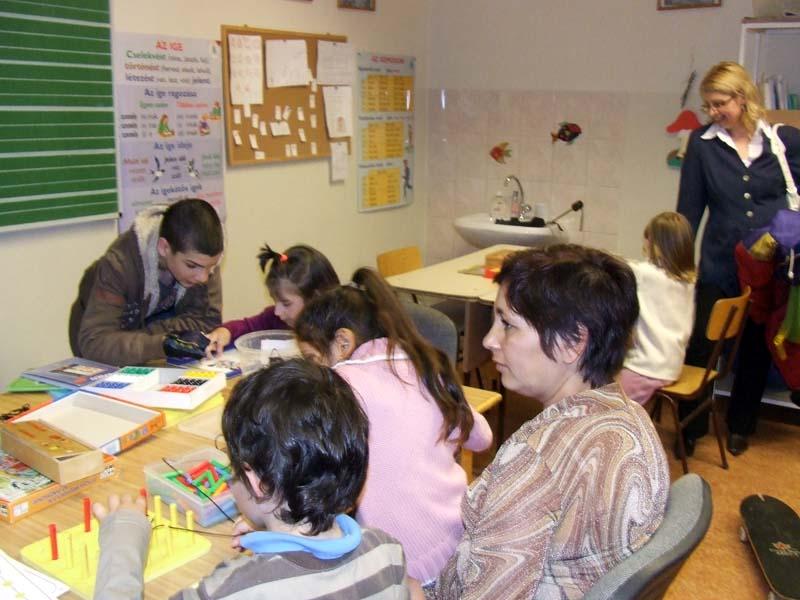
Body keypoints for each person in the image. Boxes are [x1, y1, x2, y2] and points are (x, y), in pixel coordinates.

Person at [428, 245, 669, 599]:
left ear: (573, 342)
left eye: (508, 324)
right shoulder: (632, 421)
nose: (489, 340)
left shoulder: (534, 462)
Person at [92, 358, 412, 599]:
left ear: (259, 483)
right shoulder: (386, 553)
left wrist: (124, 536)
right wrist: (269, 525)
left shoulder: (231, 590)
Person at [294, 268, 493, 587]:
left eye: (313, 358)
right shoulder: (425, 365)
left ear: (343, 342)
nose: (314, 370)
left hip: (403, 566)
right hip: (463, 539)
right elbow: (482, 438)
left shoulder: (339, 387)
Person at [677, 61, 800, 456]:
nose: (713, 112)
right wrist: (678, 263)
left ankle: (740, 426)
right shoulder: (702, 144)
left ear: (742, 98)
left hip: (769, 266)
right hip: (719, 262)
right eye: (709, 105)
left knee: (755, 348)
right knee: (703, 344)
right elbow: (689, 208)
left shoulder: (782, 142)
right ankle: (690, 427)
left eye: (720, 103)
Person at [69, 199, 223, 366]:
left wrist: (160, 339)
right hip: (98, 347)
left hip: (145, 345)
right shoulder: (119, 265)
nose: (203, 278)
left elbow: (208, 322)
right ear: (164, 248)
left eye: (211, 267)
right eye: (191, 266)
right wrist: (161, 343)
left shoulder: (201, 258)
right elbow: (95, 343)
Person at [204, 244, 339, 357]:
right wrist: (225, 331)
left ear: (315, 299)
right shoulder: (275, 319)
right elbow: (246, 327)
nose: (277, 312)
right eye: (275, 301)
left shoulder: (337, 334)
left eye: (286, 303)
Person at [619, 212, 697, 404]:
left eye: (648, 238)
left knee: (602, 402)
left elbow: (612, 265)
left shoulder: (645, 274)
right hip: (671, 366)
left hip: (646, 368)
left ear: (657, 244)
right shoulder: (688, 280)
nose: (644, 242)